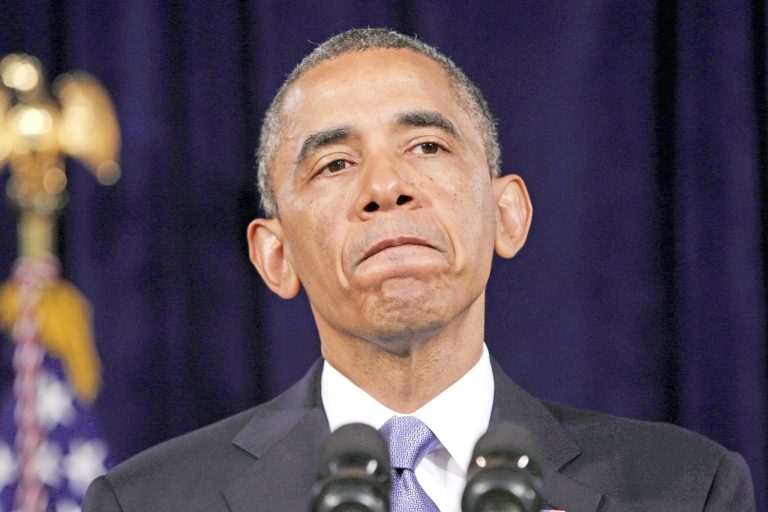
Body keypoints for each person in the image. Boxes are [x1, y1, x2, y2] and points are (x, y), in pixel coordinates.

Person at [83, 28, 755, 512]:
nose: (386, 186)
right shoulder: (148, 501)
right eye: (336, 164)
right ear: (274, 255)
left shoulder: (685, 489)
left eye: (427, 145)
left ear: (507, 215)